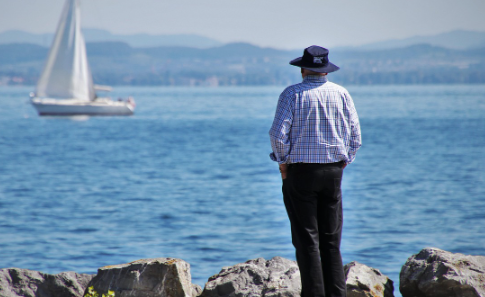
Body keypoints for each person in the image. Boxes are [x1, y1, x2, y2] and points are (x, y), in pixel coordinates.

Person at [269, 45, 362, 297]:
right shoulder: (342, 94)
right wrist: (344, 162)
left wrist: (282, 163)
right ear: (325, 69)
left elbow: (278, 135)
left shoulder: (292, 94)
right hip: (333, 172)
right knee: (331, 242)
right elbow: (356, 137)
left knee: (307, 241)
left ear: (303, 69)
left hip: (300, 173)